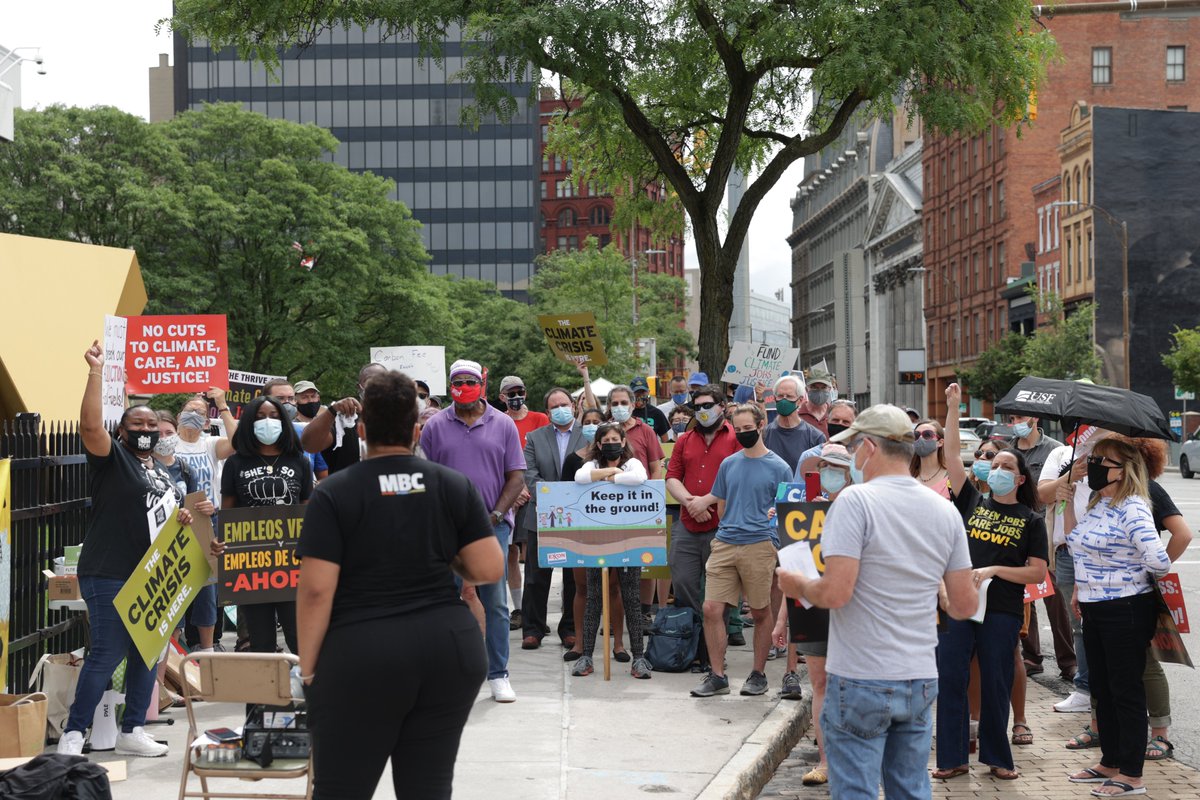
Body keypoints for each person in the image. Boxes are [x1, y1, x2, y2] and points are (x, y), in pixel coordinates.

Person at [296, 370, 504, 800]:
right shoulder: (452, 484)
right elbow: (488, 569)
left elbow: (316, 591)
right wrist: (441, 548)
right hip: (447, 649)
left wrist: (311, 669)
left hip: (361, 653)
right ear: (416, 430)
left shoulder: (334, 493)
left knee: (340, 788)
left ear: (364, 429)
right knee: (427, 787)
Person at [775, 404, 978, 800]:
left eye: (853, 448)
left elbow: (835, 593)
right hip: (919, 674)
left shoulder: (855, 503)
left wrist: (797, 583)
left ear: (869, 447)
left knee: (856, 790)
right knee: (910, 788)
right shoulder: (945, 510)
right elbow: (965, 606)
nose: (851, 458)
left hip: (862, 674)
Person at [57, 341, 194, 758]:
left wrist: (186, 518)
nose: (147, 429)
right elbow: (89, 427)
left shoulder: (163, 472)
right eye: (137, 423)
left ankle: (133, 728)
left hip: (153, 577)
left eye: (152, 422)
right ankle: (74, 733)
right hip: (111, 571)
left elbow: (163, 517)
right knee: (106, 653)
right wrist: (96, 371)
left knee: (146, 653)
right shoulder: (112, 457)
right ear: (122, 430)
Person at [935, 384, 1047, 782]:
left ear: (1019, 479)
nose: (995, 471)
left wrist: (997, 571)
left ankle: (998, 757)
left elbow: (1037, 571)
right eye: (992, 465)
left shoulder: (1031, 520)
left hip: (1001, 608)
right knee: (950, 677)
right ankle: (951, 757)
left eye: (1005, 468)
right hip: (959, 604)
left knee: (997, 680)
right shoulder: (970, 501)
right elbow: (950, 456)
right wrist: (951, 408)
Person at [1061, 435, 1194, 762]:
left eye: (1101, 461)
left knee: (1132, 680)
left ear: (1125, 468)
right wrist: (1063, 501)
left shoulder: (1140, 500)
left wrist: (1139, 573)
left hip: (1127, 605)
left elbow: (1173, 544)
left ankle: (1142, 755)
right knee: (1104, 682)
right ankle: (1108, 753)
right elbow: (1077, 543)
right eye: (1093, 459)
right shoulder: (1097, 498)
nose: (1093, 465)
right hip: (1096, 605)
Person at [421, 359, 527, 703]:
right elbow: (426, 477)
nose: (463, 387)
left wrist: (498, 513)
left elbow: (516, 476)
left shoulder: (503, 424)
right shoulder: (435, 425)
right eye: (457, 382)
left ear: (483, 381)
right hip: (446, 528)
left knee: (494, 601)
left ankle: (498, 674)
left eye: (469, 380)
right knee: (446, 601)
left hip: (491, 526)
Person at [689, 403, 792, 698]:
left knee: (760, 611)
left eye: (749, 428)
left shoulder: (779, 466)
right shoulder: (729, 464)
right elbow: (721, 500)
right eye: (739, 428)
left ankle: (758, 674)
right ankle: (718, 675)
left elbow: (783, 510)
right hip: (725, 542)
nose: (744, 433)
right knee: (711, 608)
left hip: (759, 543)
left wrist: (771, 540)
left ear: (761, 425)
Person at [772, 442, 853, 786]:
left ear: (851, 473)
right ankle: (825, 761)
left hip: (854, 613)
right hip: (813, 611)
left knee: (851, 687)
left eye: (836, 467)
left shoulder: (862, 509)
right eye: (824, 468)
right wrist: (781, 619)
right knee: (819, 684)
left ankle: (855, 758)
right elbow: (792, 571)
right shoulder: (803, 514)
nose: (829, 474)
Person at [218, 395, 313, 655]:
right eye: (260, 417)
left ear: (283, 421)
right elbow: (228, 512)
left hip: (291, 564)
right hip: (252, 567)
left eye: (273, 416)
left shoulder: (299, 461)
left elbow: (306, 509)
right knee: (260, 642)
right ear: (249, 422)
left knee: (299, 637)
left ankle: (309, 694)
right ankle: (262, 697)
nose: (267, 422)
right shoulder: (235, 464)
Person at [665, 384, 740, 672]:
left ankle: (713, 656)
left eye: (708, 405)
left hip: (722, 526)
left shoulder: (735, 439)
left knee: (718, 593)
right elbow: (672, 476)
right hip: (687, 524)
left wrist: (706, 501)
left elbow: (738, 478)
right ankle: (696, 643)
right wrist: (689, 502)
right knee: (683, 582)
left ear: (722, 406)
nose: (703, 412)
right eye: (698, 407)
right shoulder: (685, 440)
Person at [570, 422, 653, 679]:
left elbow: (640, 478)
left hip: (629, 540)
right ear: (598, 444)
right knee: (594, 597)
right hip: (598, 540)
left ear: (623, 441)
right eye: (605, 441)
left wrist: (611, 475)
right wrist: (607, 474)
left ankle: (638, 657)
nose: (610, 444)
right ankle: (586, 657)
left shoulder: (632, 464)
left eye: (615, 439)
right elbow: (579, 477)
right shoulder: (591, 464)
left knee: (630, 597)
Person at [520, 387, 582, 650]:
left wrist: (568, 498)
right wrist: (552, 497)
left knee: (573, 577)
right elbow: (529, 473)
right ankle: (532, 629)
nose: (560, 409)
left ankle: (569, 628)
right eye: (554, 406)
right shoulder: (535, 437)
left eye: (564, 404)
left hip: (578, 518)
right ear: (547, 412)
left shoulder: (588, 434)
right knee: (536, 576)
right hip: (541, 516)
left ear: (573, 406)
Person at [174, 392, 235, 652]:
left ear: (207, 422)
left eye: (201, 413)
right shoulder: (168, 444)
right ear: (178, 416)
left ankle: (207, 649)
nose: (194, 415)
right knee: (174, 586)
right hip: (174, 524)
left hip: (207, 521)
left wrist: (221, 405)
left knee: (206, 588)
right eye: (190, 409)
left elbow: (239, 442)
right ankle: (173, 649)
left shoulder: (210, 445)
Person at [1007, 413, 1066, 679]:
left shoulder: (1054, 449)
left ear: (1033, 418)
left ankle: (1068, 661)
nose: (1016, 421)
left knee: (1055, 600)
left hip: (1045, 531)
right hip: (1017, 531)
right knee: (1024, 599)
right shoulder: (1008, 451)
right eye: (1011, 417)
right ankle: (1032, 657)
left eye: (1020, 416)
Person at [562, 407, 623, 661]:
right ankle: (579, 643)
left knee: (614, 588)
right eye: (587, 422)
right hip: (583, 531)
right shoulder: (576, 460)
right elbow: (566, 491)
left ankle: (618, 644)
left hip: (616, 531)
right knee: (582, 587)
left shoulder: (625, 460)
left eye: (596, 422)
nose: (591, 425)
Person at [498, 375, 545, 632]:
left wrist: (529, 488)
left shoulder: (540, 419)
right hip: (510, 496)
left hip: (535, 495)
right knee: (511, 554)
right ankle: (518, 609)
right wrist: (514, 491)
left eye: (520, 391)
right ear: (502, 396)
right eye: (510, 392)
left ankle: (533, 612)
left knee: (535, 554)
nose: (516, 396)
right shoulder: (499, 420)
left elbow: (544, 455)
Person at [301, 362, 388, 474]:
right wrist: (332, 411)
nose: (377, 385)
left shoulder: (400, 420)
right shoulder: (342, 421)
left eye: (383, 380)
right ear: (359, 387)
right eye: (370, 381)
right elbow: (309, 445)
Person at [263, 378, 329, 481]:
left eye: (291, 398)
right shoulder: (253, 433)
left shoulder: (307, 433)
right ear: (264, 400)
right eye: (280, 398)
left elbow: (323, 478)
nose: (287, 403)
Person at [762, 374, 826, 473]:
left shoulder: (815, 437)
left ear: (800, 400)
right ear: (774, 399)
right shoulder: (764, 434)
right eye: (780, 396)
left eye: (789, 396)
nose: (784, 400)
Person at [607, 384, 664, 479]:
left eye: (624, 403)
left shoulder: (646, 430)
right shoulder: (603, 431)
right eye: (615, 404)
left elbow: (656, 469)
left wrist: (651, 492)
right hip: (612, 492)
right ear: (609, 406)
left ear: (632, 405)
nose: (619, 407)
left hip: (641, 492)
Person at [909, 418, 951, 499]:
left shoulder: (951, 478)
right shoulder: (907, 476)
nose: (920, 438)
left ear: (940, 442)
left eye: (927, 435)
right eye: (916, 435)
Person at [797, 367, 837, 436]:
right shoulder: (797, 415)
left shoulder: (835, 415)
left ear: (830, 389)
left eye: (823, 387)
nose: (819, 391)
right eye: (814, 387)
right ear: (806, 389)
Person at [630, 376, 670, 442]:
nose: (640, 396)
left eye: (643, 392)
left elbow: (665, 441)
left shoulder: (657, 413)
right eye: (637, 392)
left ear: (648, 392)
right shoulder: (626, 412)